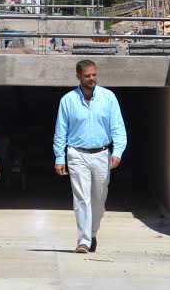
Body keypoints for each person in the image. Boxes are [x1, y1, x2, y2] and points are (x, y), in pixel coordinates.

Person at [53, 59, 128, 253]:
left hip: (102, 154)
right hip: (77, 154)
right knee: (81, 199)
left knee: (99, 201)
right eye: (87, 75)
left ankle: (92, 233)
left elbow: (118, 128)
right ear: (78, 76)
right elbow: (60, 132)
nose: (91, 78)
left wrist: (117, 152)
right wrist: (59, 157)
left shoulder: (108, 98)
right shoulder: (68, 100)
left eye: (94, 74)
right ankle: (84, 240)